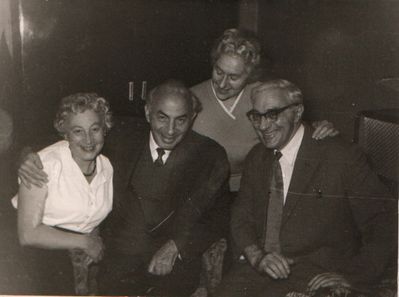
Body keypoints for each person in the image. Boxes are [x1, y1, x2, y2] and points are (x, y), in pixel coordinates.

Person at [18, 80, 230, 296]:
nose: (170, 130)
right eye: (162, 118)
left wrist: (177, 245)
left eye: (181, 120)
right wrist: (27, 157)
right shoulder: (121, 135)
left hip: (173, 262)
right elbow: (68, 135)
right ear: (148, 113)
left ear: (192, 117)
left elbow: (220, 216)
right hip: (117, 260)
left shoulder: (210, 156)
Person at [215, 79, 397, 297]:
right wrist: (257, 256)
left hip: (318, 277)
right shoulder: (257, 157)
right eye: (256, 116)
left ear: (297, 111)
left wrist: (353, 275)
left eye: (273, 114)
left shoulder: (341, 156)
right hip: (260, 270)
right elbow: (241, 214)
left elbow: (384, 221)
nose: (263, 126)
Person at [191, 28, 338, 192]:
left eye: (233, 77)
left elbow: (292, 130)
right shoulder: (191, 99)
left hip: (253, 188)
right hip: (201, 191)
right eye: (218, 72)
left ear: (251, 75)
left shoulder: (262, 95)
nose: (223, 84)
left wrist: (318, 129)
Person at [13, 93, 113, 295]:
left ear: (105, 129)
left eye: (95, 129)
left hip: (85, 263)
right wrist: (85, 242)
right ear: (65, 133)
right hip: (43, 262)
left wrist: (91, 241)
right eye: (78, 131)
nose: (88, 139)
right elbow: (27, 234)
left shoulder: (106, 166)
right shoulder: (43, 165)